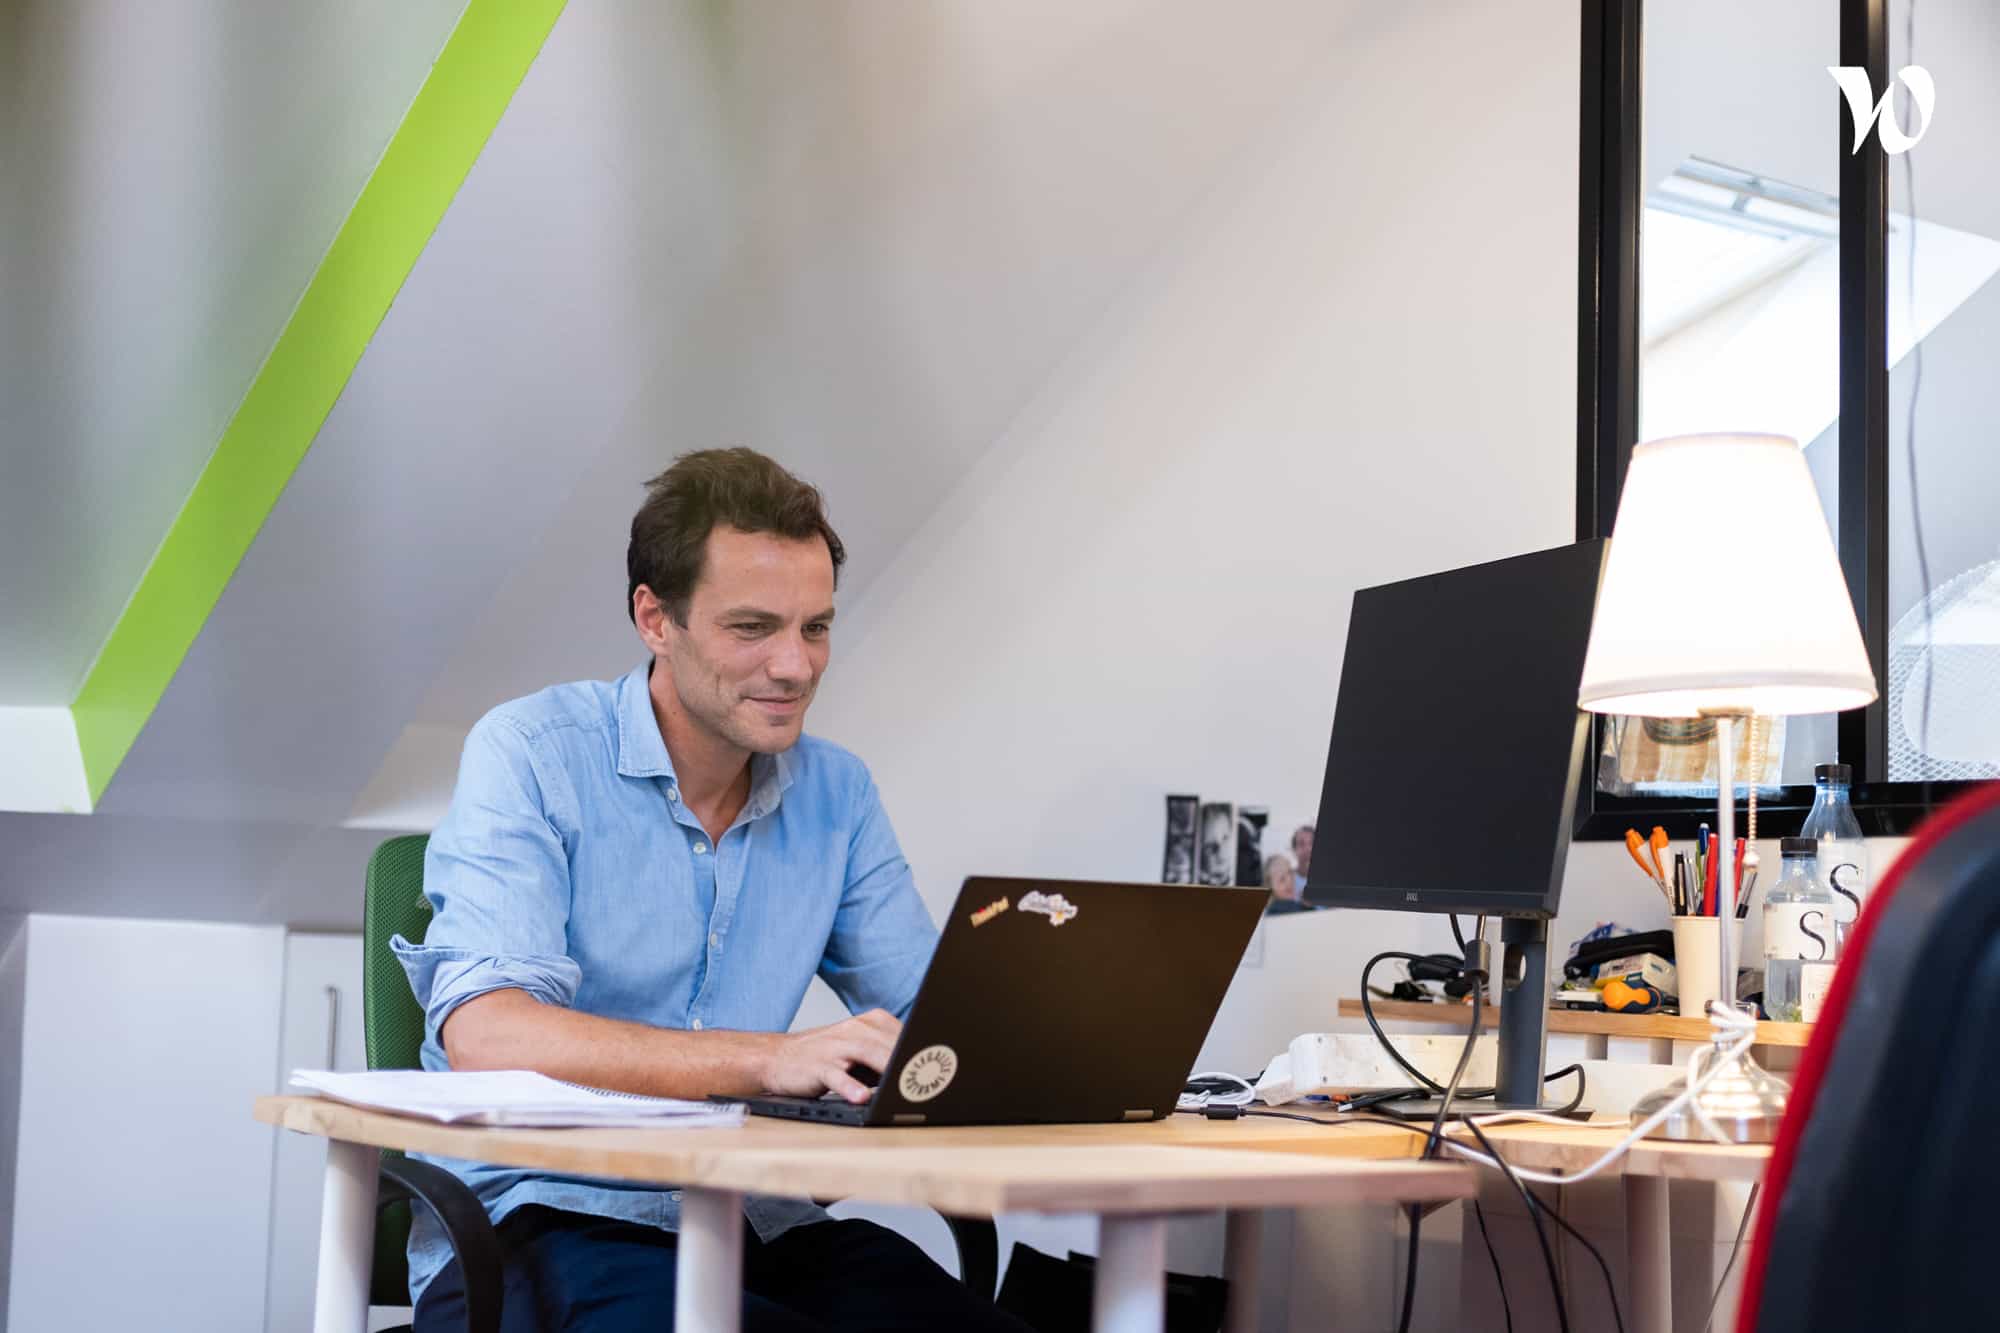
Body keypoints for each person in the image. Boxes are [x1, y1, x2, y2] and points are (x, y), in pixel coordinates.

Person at [393, 448, 1032, 1332]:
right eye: (753, 627)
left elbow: (935, 1019)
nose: (796, 666)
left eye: (815, 628)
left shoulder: (836, 794)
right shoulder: (531, 751)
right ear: (655, 618)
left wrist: (1061, 1032)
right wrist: (769, 1060)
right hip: (543, 1219)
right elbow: (488, 1031)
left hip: (753, 1216)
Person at [1291, 823, 1315, 891]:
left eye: (1312, 843)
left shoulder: (1327, 881)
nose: (1308, 849)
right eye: (1301, 843)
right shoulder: (1286, 882)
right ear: (1294, 850)